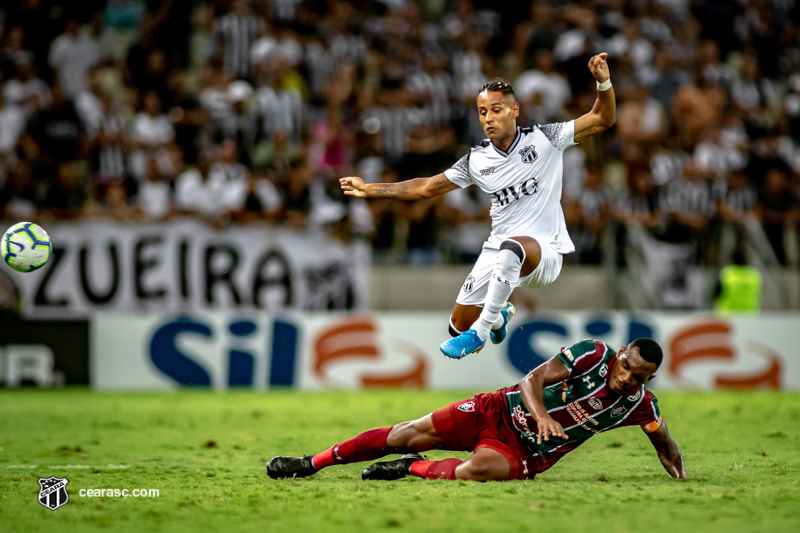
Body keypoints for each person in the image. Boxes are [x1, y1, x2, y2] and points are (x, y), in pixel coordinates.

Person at [340, 54, 616, 359]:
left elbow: (602, 118)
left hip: (545, 253)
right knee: (457, 325)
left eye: (496, 110)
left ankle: (482, 331)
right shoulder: (477, 159)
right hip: (497, 250)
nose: (488, 118)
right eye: (483, 112)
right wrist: (371, 189)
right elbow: (427, 187)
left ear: (514, 110)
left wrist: (603, 81)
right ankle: (498, 316)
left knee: (511, 252)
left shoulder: (545, 138)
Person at [268, 337, 689, 482]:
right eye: (627, 368)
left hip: (526, 454)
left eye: (638, 378)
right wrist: (541, 415)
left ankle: (410, 469)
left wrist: (682, 478)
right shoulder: (592, 354)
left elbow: (664, 443)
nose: (627, 379)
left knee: (474, 472)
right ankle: (311, 463)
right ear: (620, 356)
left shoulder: (639, 405)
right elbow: (531, 380)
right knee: (403, 435)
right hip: (496, 410)